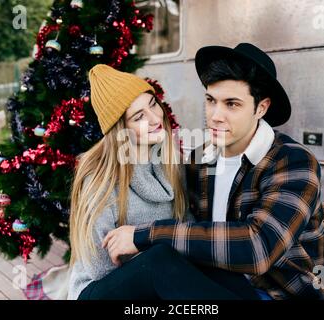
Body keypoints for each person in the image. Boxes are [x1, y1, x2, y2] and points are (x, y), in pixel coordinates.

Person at [101, 43, 324, 300]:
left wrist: (144, 235)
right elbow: (186, 222)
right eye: (211, 101)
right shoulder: (202, 158)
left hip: (276, 294)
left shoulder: (292, 161)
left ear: (261, 108)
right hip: (216, 282)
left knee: (157, 263)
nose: (216, 116)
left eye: (232, 104)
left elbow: (258, 249)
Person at [67, 64, 262, 300]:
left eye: (152, 104)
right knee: (160, 258)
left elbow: (184, 229)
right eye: (138, 117)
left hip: (156, 280)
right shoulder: (100, 178)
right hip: (101, 290)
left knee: (208, 261)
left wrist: (150, 243)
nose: (154, 118)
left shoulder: (169, 164)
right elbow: (100, 269)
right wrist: (154, 249)